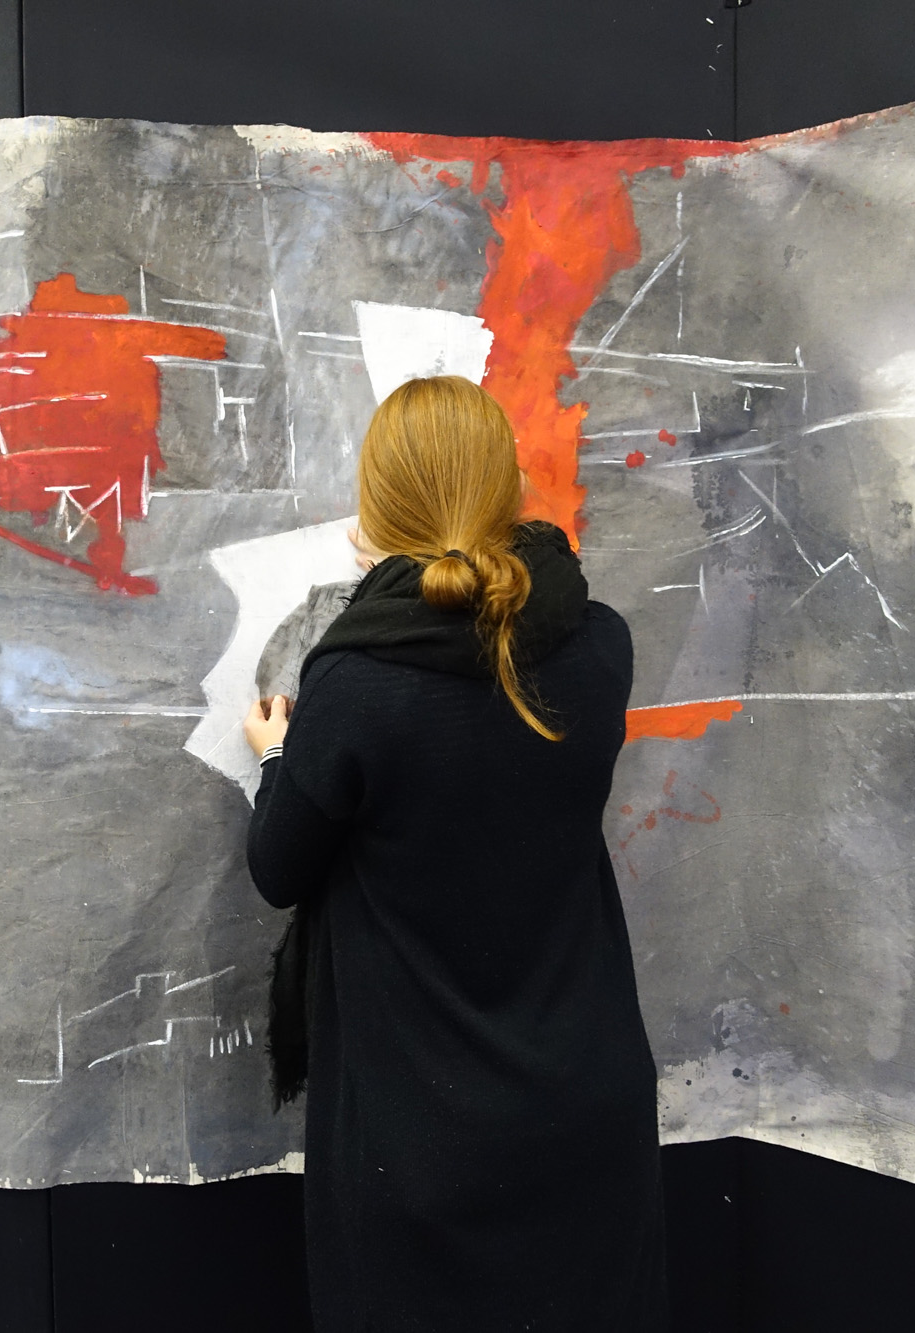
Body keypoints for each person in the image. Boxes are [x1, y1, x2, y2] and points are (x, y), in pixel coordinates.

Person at [242, 375, 666, 1330]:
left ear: (377, 511)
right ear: (507, 489)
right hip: (589, 1117)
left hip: (420, 1140)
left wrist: (276, 755)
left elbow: (279, 866)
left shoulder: (356, 683)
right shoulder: (601, 646)